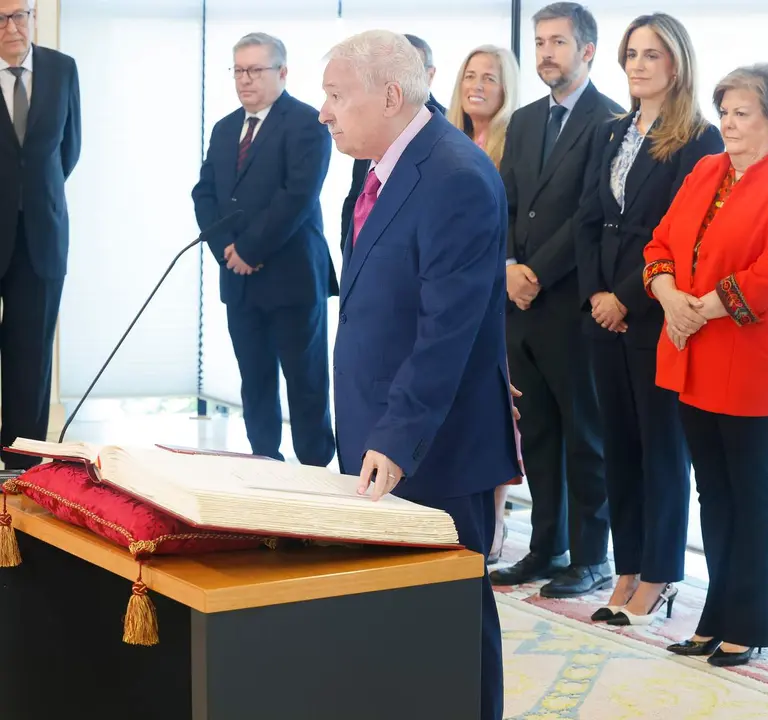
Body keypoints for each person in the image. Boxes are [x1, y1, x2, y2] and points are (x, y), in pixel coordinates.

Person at [321, 29, 520, 720]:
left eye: (336, 95)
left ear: (389, 95)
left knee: (454, 615)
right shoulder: (376, 167)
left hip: (433, 442)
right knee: (394, 609)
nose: (324, 111)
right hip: (380, 425)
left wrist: (397, 437)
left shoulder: (455, 176)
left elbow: (447, 331)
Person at [644, 63, 768, 667]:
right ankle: (714, 615)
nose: (727, 123)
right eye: (724, 112)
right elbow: (660, 243)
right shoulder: (704, 169)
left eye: (741, 113)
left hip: (753, 365)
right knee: (713, 494)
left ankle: (748, 622)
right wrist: (671, 299)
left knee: (751, 494)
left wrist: (702, 308)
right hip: (693, 355)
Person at [574, 12, 721, 626]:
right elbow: (584, 218)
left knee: (662, 448)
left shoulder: (701, 139)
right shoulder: (611, 130)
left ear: (677, 63)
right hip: (601, 310)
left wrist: (627, 299)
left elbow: (684, 237)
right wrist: (594, 296)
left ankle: (659, 574)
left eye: (651, 54)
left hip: (657, 312)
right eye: (631, 53)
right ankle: (626, 565)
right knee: (619, 447)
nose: (637, 64)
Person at [490, 1, 623, 599]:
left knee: (584, 435)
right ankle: (547, 547)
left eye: (558, 43)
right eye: (540, 42)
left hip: (572, 304)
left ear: (587, 51)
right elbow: (508, 204)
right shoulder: (521, 121)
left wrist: (536, 271)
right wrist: (511, 268)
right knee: (537, 431)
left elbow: (589, 215)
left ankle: (592, 556)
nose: (546, 52)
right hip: (521, 306)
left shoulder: (610, 120)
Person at [192, 33, 336, 467]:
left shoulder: (309, 123)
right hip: (238, 279)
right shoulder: (224, 128)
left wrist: (251, 249)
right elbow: (204, 195)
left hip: (291, 278)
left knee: (305, 382)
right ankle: (263, 464)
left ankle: (316, 473)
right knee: (254, 382)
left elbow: (297, 196)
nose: (245, 80)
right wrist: (226, 250)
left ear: (283, 72)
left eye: (255, 70)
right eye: (238, 70)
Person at [445, 43, 522, 562]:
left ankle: (494, 527)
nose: (477, 85)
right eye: (470, 75)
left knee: (502, 415)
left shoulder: (515, 142)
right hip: (454, 299)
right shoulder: (445, 140)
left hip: (505, 298)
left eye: (489, 78)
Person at [0, 0, 80, 469]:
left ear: (33, 17)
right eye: (1, 18)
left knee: (31, 351)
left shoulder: (62, 69)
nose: (12, 27)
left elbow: (69, 150)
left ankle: (21, 456)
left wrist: (31, 199)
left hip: (42, 234)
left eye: (19, 15)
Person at [339, 33, 445, 249]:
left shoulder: (445, 127)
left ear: (429, 74)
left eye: (407, 71)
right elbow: (357, 195)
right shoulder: (371, 121)